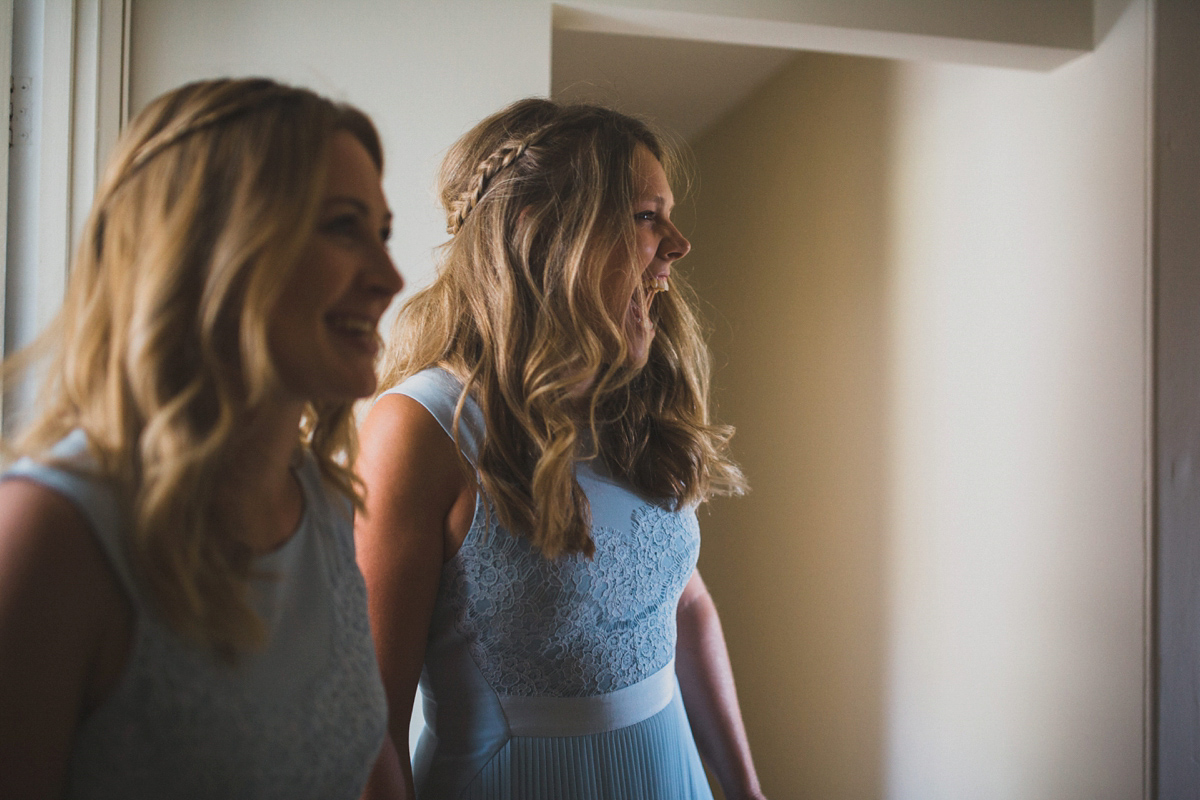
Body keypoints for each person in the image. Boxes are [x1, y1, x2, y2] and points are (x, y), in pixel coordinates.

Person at [0, 78, 403, 799]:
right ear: (210, 247)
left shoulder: (326, 506)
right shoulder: (52, 537)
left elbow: (368, 765)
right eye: (344, 227)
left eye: (383, 233)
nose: (389, 277)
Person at [357, 98, 765, 800]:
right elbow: (370, 733)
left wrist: (748, 791)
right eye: (646, 216)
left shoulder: (630, 406)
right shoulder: (422, 431)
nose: (677, 243)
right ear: (541, 230)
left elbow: (682, 604)